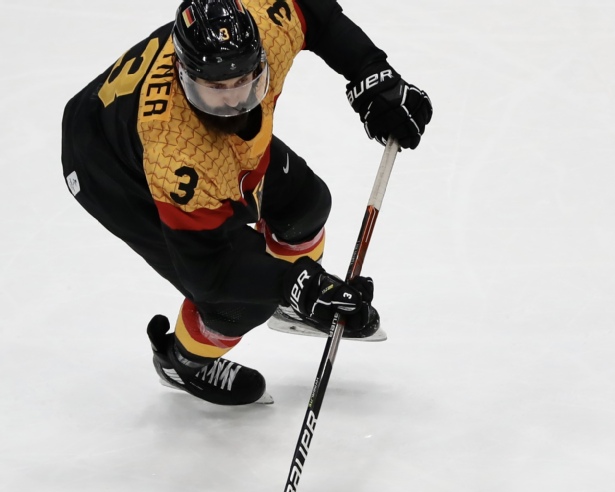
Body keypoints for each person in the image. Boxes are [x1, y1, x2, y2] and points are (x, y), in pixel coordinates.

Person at [61, 0, 432, 405]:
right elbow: (209, 272)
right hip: (110, 169)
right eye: (215, 89)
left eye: (244, 81)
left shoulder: (265, 26)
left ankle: (293, 306)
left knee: (304, 205)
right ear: (184, 76)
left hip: (164, 132)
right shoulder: (177, 154)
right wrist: (294, 284)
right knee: (235, 306)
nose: (234, 102)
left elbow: (317, 14)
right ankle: (181, 362)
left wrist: (373, 74)